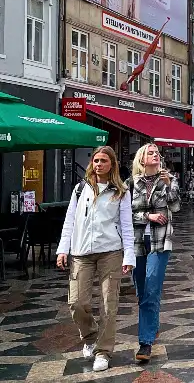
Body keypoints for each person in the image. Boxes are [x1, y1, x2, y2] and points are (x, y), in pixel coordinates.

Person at [56, 147, 135, 373]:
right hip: (81, 253)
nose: (98, 164)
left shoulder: (121, 192)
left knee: (109, 305)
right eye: (96, 160)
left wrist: (128, 255)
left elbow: (127, 227)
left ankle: (103, 351)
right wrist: (63, 249)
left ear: (112, 165)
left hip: (110, 251)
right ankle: (90, 336)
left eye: (103, 161)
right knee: (77, 302)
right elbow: (69, 220)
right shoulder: (80, 189)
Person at [130, 143, 181, 363]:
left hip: (161, 242)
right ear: (142, 159)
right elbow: (125, 215)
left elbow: (176, 207)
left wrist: (169, 185)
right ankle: (153, 325)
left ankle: (145, 342)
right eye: (151, 153)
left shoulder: (168, 179)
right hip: (138, 243)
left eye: (157, 153)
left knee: (151, 286)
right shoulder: (132, 183)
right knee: (143, 291)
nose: (156, 155)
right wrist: (147, 217)